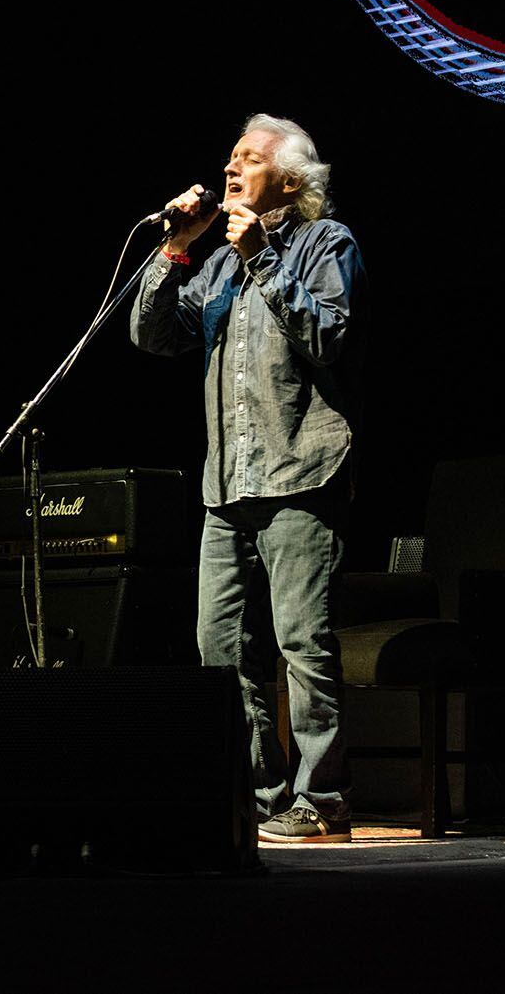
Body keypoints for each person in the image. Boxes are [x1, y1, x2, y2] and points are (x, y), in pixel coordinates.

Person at [130, 113, 365, 844]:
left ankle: (322, 799)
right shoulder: (223, 261)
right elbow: (153, 333)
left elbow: (330, 335)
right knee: (220, 647)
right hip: (227, 484)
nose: (230, 168)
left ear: (290, 179)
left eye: (248, 158)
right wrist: (177, 247)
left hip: (300, 470)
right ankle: (261, 793)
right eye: (228, 156)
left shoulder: (327, 242)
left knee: (301, 641)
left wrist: (264, 256)